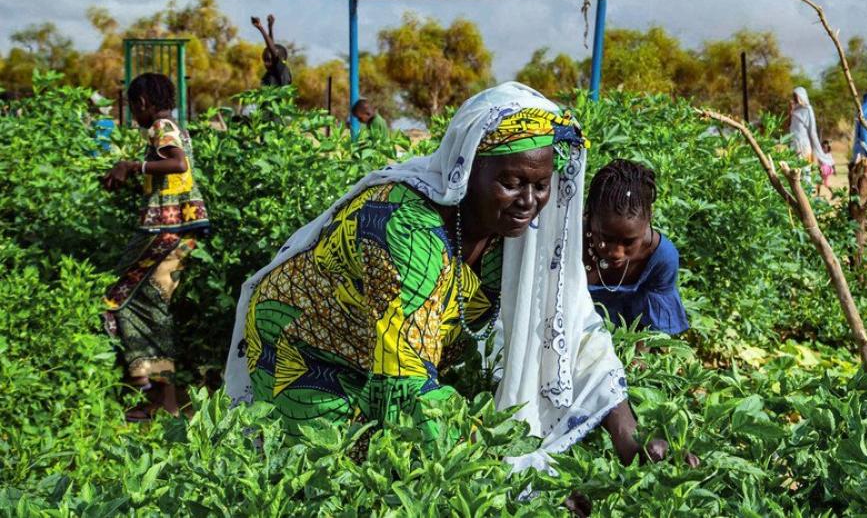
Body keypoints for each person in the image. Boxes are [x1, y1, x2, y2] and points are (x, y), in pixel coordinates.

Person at [223, 82, 679, 471]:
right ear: (467, 167)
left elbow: (572, 327)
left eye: (541, 185)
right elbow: (405, 387)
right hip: (308, 354)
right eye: (512, 182)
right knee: (340, 473)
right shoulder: (402, 227)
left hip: (392, 362)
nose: (529, 200)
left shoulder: (518, 230)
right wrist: (513, 476)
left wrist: (629, 435)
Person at [100, 73, 210, 421]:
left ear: (143, 103)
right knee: (152, 310)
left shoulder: (161, 126)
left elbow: (178, 163)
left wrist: (131, 166)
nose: (135, 116)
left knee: (118, 297)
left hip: (163, 234)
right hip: (177, 233)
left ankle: (150, 388)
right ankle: (161, 399)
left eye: (134, 107)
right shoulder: (173, 126)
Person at [584, 159, 688, 336]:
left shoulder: (660, 258)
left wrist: (633, 361)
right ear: (589, 215)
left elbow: (649, 333)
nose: (616, 253)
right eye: (605, 238)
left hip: (623, 344)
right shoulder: (568, 242)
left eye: (629, 242)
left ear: (648, 220)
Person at [788, 86, 834, 187]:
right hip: (794, 145)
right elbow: (789, 127)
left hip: (804, 145)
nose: (794, 99)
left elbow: (812, 130)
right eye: (794, 96)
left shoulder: (808, 110)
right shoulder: (794, 111)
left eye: (796, 96)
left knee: (805, 171)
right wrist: (790, 111)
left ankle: (807, 194)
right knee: (794, 171)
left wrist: (815, 147)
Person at [251, 14, 292, 87]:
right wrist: (270, 27)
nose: (266, 63)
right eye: (265, 60)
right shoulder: (271, 73)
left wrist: (261, 28)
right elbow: (271, 50)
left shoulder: (281, 69)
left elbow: (273, 52)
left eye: (268, 60)